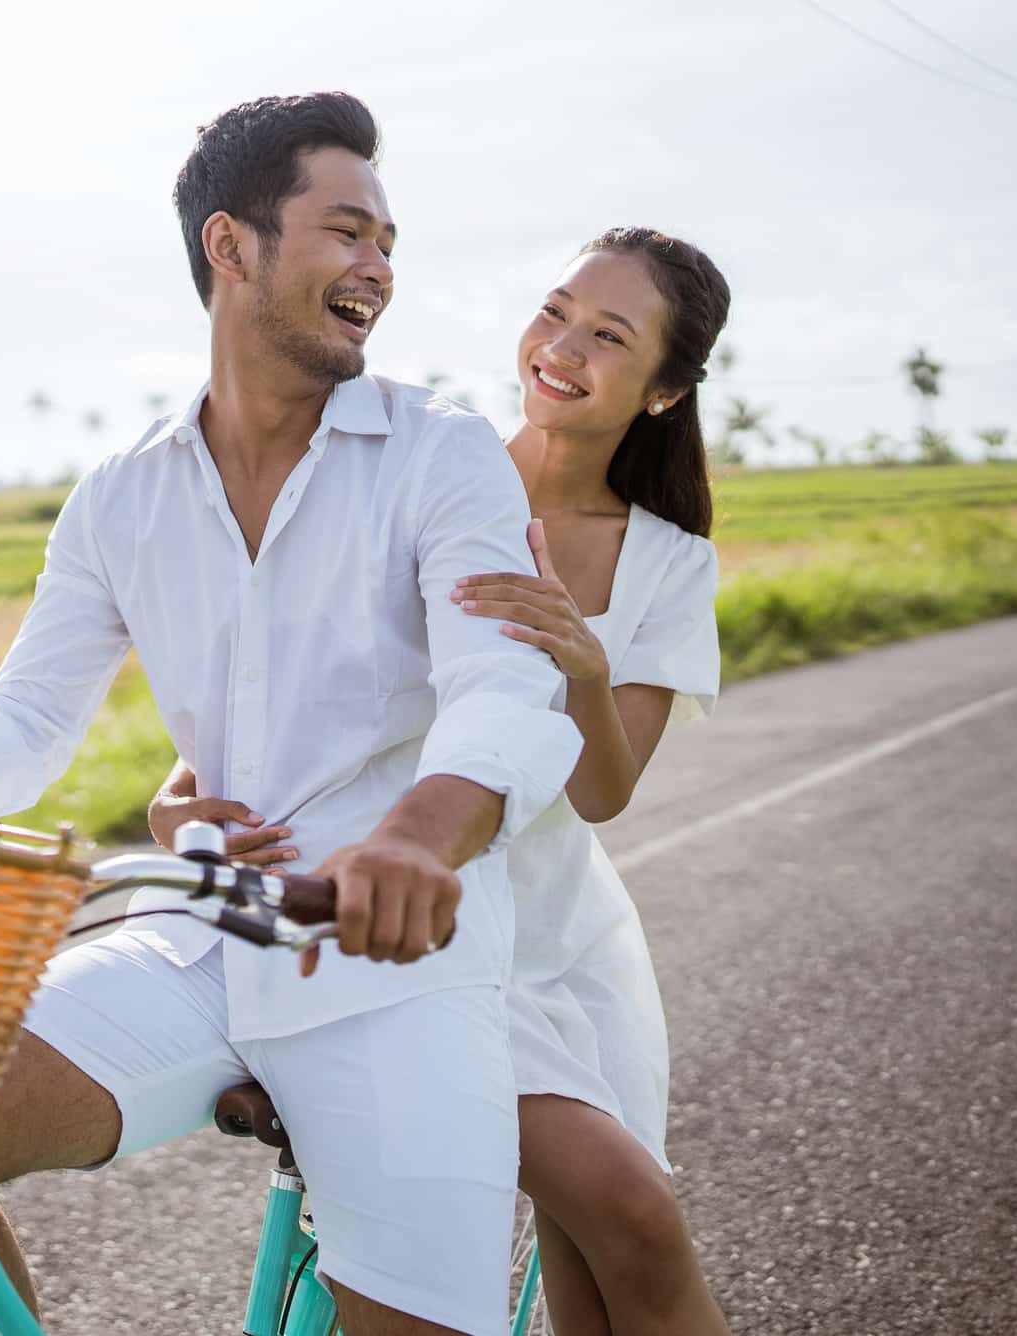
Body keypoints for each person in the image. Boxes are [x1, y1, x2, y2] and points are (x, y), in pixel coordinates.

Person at [0, 92, 583, 1335]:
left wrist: (410, 840)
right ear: (229, 246)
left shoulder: (438, 454)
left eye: (388, 243)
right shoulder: (121, 494)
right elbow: (21, 727)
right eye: (346, 233)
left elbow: (502, 687)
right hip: (207, 933)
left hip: (393, 965)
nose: (378, 268)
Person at [149, 226, 735, 1334]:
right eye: (555, 310)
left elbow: (603, 795)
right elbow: (283, 678)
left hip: (565, 940)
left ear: (662, 392)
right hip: (416, 926)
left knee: (608, 1258)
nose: (559, 347)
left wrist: (584, 659)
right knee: (631, 1216)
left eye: (607, 336)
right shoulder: (419, 470)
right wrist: (180, 795)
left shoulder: (668, 559)